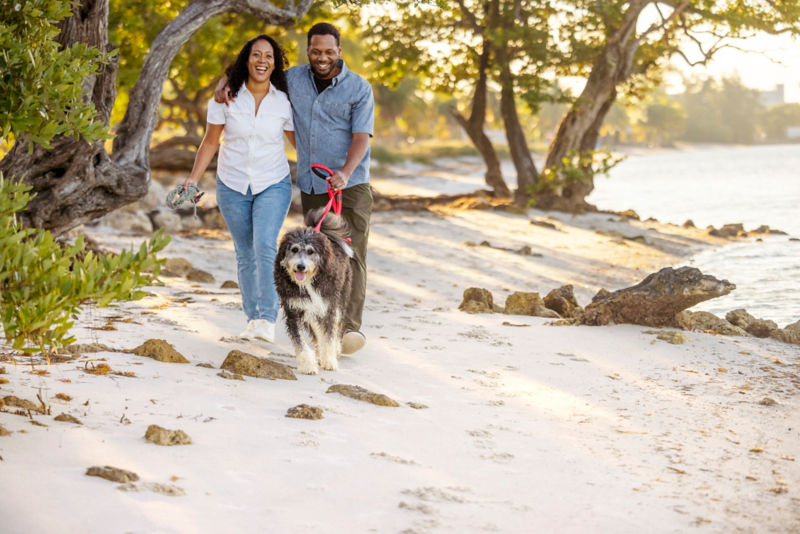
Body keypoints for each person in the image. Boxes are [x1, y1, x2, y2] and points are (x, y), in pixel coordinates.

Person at [215, 22, 374, 355]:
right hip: (314, 185)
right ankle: (318, 319)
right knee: (315, 256)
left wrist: (345, 172)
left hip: (352, 184)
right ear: (308, 50)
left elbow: (361, 138)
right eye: (316, 51)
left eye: (329, 51)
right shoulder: (293, 79)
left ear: (339, 51)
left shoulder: (359, 89)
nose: (322, 57)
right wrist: (226, 79)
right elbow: (258, 70)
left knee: (350, 252)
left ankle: (348, 328)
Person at [186, 34, 295, 342]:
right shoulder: (226, 98)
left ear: (275, 64)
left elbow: (298, 143)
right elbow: (210, 142)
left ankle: (268, 318)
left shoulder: (283, 102)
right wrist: (193, 179)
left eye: (269, 56)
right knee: (245, 253)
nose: (263, 61)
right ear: (247, 60)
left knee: (265, 245)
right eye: (257, 55)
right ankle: (253, 318)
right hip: (232, 185)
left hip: (273, 183)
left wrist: (325, 170)